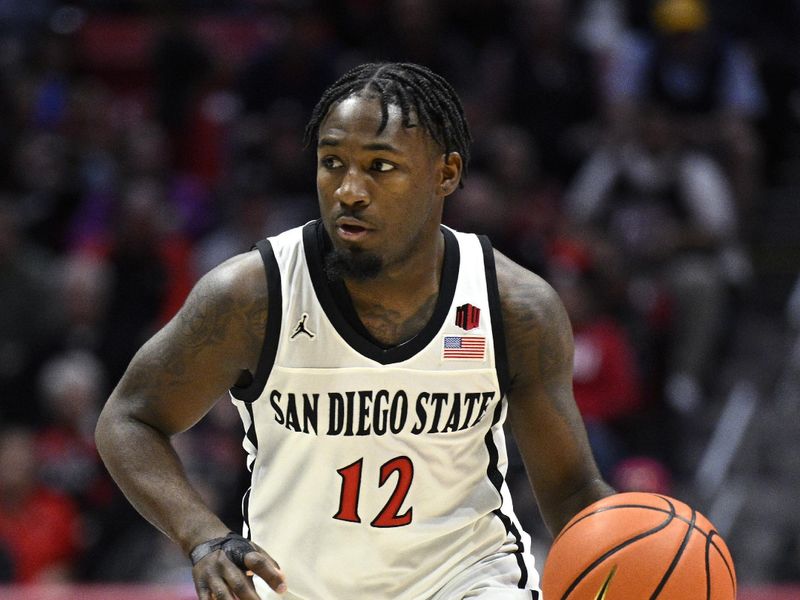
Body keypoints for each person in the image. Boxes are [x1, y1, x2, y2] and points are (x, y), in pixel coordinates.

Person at [95, 62, 613, 600]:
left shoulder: (514, 307)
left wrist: (640, 557)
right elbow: (128, 418)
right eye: (332, 163)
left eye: (380, 166)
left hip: (467, 582)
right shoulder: (251, 296)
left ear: (446, 173)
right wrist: (202, 537)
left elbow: (572, 488)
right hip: (295, 587)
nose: (348, 190)